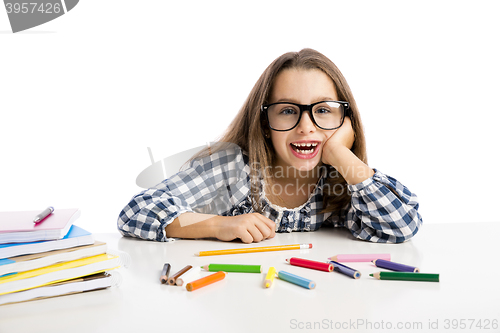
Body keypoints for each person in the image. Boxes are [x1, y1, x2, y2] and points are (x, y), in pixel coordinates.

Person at [117, 48, 422, 244]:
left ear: (346, 121)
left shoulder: (340, 179)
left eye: (324, 110)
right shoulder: (232, 167)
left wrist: (342, 155)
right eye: (288, 110)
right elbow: (136, 211)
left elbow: (402, 226)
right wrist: (218, 225)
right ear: (265, 122)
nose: (306, 126)